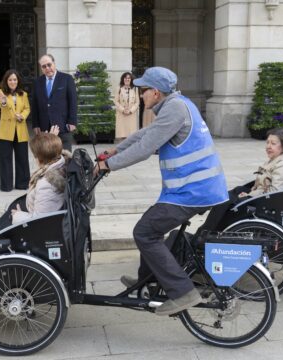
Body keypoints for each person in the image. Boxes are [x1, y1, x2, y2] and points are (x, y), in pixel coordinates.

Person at [94, 67, 229, 316]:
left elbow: (146, 147)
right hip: (191, 190)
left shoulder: (175, 108)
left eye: (143, 90)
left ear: (155, 92)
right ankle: (148, 280)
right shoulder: (177, 105)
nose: (141, 95)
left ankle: (182, 292)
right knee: (150, 225)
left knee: (145, 232)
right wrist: (116, 150)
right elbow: (147, 133)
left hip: (194, 191)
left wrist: (107, 165)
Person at [11, 128, 69, 223]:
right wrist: (50, 142)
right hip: (33, 207)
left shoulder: (46, 185)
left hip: (34, 222)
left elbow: (39, 221)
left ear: (39, 159)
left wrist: (18, 216)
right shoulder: (60, 163)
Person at [240, 128, 283, 198]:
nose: (268, 146)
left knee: (231, 201)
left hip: (269, 202)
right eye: (267, 142)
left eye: (273, 143)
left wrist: (249, 196)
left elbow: (275, 194)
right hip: (259, 193)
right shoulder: (277, 157)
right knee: (236, 191)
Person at [31, 54, 78, 151]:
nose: (47, 68)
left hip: (63, 126)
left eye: (49, 65)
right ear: (41, 68)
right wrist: (35, 124)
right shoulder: (37, 82)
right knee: (47, 157)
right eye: (44, 66)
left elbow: (73, 101)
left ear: (54, 63)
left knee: (65, 157)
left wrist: (72, 121)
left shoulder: (67, 79)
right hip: (44, 127)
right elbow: (34, 105)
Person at [0, 69, 31, 192]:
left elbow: (27, 108)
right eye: (10, 79)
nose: (12, 82)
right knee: (5, 159)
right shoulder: (1, 92)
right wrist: (4, 101)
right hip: (5, 131)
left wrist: (23, 116)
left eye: (14, 79)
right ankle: (6, 185)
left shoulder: (23, 94)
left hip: (20, 130)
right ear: (6, 81)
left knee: (22, 158)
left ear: (18, 81)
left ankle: (22, 183)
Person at [114, 72, 139, 141]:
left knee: (131, 135)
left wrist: (131, 110)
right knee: (122, 135)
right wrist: (123, 110)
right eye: (125, 78)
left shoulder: (135, 89)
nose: (127, 79)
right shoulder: (118, 88)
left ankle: (129, 150)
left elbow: (137, 102)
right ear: (123, 79)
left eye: (129, 78)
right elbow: (116, 101)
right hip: (122, 114)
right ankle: (122, 149)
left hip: (131, 115)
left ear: (131, 79)